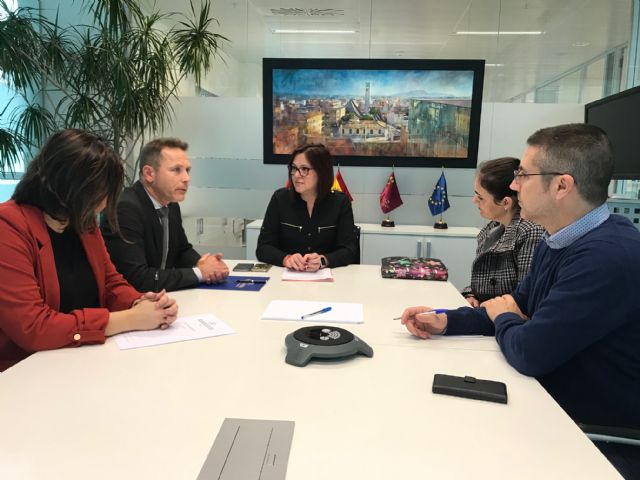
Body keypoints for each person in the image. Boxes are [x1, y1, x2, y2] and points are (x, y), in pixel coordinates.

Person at [401, 124, 640, 478]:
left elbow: (530, 351)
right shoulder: (559, 239)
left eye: (523, 175)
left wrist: (507, 317)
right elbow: (514, 305)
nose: (514, 185)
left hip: (591, 438)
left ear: (562, 186)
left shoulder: (606, 258)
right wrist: (447, 320)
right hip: (545, 406)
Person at [0, 129, 178, 372]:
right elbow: (33, 327)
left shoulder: (81, 221)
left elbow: (110, 282)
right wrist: (127, 319)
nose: (104, 204)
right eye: (99, 193)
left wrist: (140, 303)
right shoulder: (8, 227)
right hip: (24, 373)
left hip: (82, 363)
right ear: (69, 188)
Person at [102, 138, 229, 291]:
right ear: (149, 173)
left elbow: (181, 250)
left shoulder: (170, 204)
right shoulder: (126, 208)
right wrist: (200, 273)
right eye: (176, 170)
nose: (186, 179)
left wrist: (203, 263)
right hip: (131, 305)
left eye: (187, 170)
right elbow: (137, 278)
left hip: (162, 298)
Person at [256, 144, 359, 271]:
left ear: (322, 172)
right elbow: (263, 248)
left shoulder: (340, 202)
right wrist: (286, 259)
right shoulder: (280, 199)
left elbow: (350, 250)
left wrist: (323, 260)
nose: (296, 175)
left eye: (304, 169)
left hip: (329, 281)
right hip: (285, 280)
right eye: (294, 168)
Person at [462, 157, 545, 306]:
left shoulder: (531, 232)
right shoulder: (492, 228)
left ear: (506, 202)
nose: (474, 201)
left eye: (481, 197)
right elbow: (481, 283)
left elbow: (524, 299)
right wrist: (471, 295)